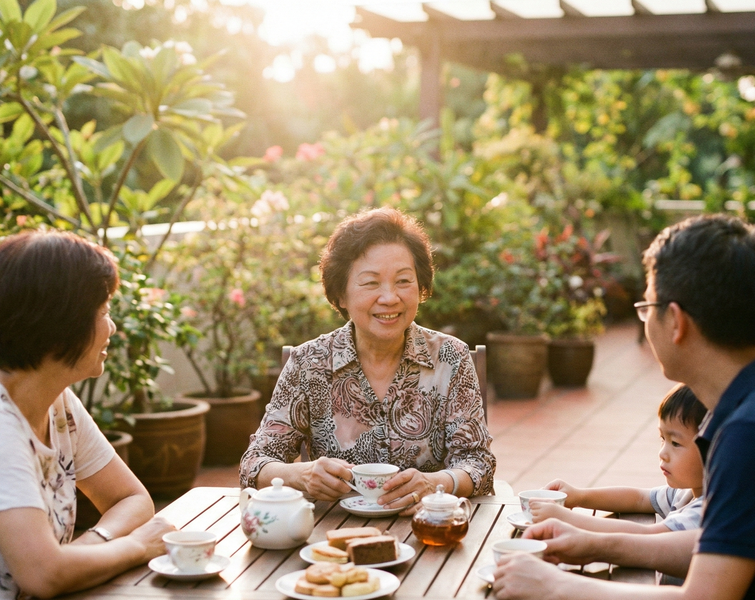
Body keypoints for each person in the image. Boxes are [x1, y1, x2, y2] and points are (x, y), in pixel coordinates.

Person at [492, 214, 755, 600]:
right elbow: (716, 544)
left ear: (676, 322)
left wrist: (554, 585)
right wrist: (594, 542)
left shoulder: (744, 434)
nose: (644, 319)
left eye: (647, 307)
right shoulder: (735, 411)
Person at [0, 231, 175, 600]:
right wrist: (137, 546)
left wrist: (86, 549)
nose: (112, 327)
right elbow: (43, 575)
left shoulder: (57, 401)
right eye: (103, 313)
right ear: (60, 324)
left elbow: (131, 500)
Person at [239, 207, 496, 514]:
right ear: (341, 295)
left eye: (403, 280)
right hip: (332, 540)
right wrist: (301, 475)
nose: (389, 297)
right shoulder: (309, 363)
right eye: (371, 283)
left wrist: (434, 483)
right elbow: (255, 463)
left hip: (427, 529)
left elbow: (478, 463)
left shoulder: (450, 358)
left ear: (421, 287)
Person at [530, 384, 705, 586]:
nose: (662, 453)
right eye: (662, 439)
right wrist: (578, 496)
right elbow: (640, 498)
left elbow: (645, 537)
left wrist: (568, 518)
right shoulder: (685, 492)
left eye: (675, 443)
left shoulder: (703, 513)